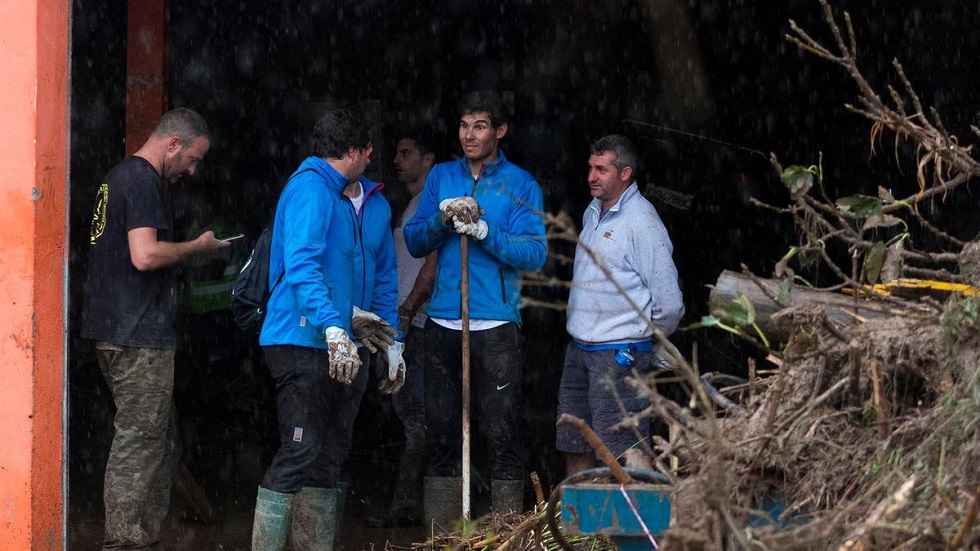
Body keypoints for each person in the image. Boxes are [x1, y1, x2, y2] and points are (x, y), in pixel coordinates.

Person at [80, 107, 228, 550]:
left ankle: (140, 537)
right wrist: (196, 247)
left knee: (158, 438)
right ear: (173, 144)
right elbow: (143, 255)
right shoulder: (144, 181)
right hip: (136, 334)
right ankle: (123, 541)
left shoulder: (116, 177)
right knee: (141, 439)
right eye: (192, 159)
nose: (193, 170)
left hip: (114, 329)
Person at [403, 91, 547, 527]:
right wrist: (441, 221)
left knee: (502, 433)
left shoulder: (521, 184)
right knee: (442, 433)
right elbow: (414, 241)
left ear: (499, 131)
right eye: (464, 125)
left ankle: (505, 532)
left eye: (480, 126)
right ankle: (442, 535)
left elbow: (535, 254)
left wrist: (486, 231)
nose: (469, 135)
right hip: (444, 320)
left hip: (497, 323)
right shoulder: (442, 177)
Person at [251, 106, 380, 551]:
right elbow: (302, 265)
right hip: (298, 339)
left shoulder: (334, 194)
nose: (370, 160)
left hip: (319, 338)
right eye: (367, 151)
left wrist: (349, 318)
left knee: (324, 456)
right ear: (351, 151)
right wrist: (332, 324)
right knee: (299, 451)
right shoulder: (311, 189)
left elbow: (327, 271)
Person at [556, 134, 685, 476]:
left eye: (601, 169)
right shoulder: (592, 211)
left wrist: (646, 341)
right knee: (574, 438)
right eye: (590, 168)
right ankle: (581, 527)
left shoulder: (642, 222)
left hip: (618, 354)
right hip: (579, 349)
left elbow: (670, 304)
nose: (591, 176)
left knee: (623, 444)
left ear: (625, 173)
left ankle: (627, 525)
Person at [366, 128, 438, 528]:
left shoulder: (431, 207)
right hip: (401, 324)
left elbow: (435, 264)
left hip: (417, 324)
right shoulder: (413, 206)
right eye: (396, 151)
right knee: (409, 415)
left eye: (406, 152)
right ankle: (416, 503)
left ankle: (408, 507)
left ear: (428, 160)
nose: (397, 159)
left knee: (416, 418)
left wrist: (409, 310)